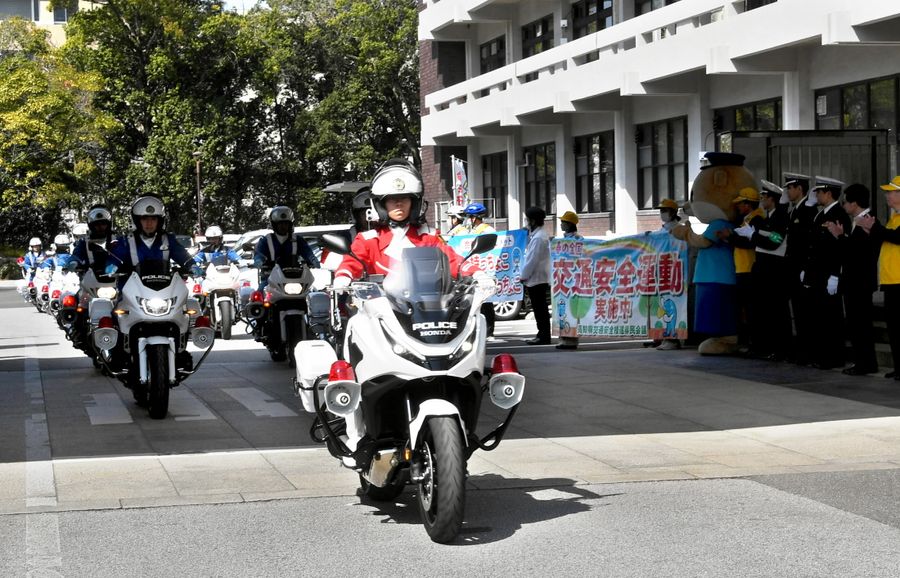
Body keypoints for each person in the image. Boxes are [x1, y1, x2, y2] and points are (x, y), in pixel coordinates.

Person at [333, 159, 489, 288]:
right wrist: (343, 276)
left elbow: (452, 260)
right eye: (392, 199)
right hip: (380, 310)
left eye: (405, 198)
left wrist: (476, 272)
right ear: (381, 205)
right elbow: (352, 262)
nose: (399, 204)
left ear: (414, 203)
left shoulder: (428, 236)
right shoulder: (368, 239)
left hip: (424, 308)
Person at [800, 177, 850, 370]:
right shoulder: (820, 215)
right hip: (816, 273)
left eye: (819, 192)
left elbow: (838, 249)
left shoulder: (839, 214)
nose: (817, 196)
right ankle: (822, 355)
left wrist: (836, 275)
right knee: (820, 317)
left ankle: (834, 358)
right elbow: (813, 245)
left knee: (832, 318)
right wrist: (807, 269)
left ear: (829, 194)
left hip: (829, 274)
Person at [829, 184, 879, 375]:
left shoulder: (867, 221)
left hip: (860, 282)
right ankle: (864, 362)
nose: (843, 205)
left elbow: (856, 254)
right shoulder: (858, 221)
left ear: (855, 203)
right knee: (857, 324)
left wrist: (840, 237)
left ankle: (865, 363)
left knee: (860, 325)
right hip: (855, 281)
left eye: (845, 201)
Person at [858, 175, 900, 379]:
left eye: (891, 192)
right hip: (891, 280)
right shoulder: (894, 217)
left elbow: (897, 238)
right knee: (893, 328)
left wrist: (874, 228)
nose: (887, 195)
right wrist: (872, 231)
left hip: (899, 281)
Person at [749, 181, 791, 360]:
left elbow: (776, 239)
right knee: (767, 312)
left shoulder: (780, 218)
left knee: (778, 312)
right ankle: (770, 347)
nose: (761, 200)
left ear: (772, 199)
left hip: (775, 270)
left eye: (764, 197)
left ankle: (782, 349)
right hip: (764, 269)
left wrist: (754, 236)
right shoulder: (768, 218)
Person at [783, 172, 819, 364]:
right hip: (792, 267)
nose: (788, 191)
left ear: (800, 189)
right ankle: (802, 351)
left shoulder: (807, 209)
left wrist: (806, 267)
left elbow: (808, 241)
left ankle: (808, 352)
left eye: (790, 187)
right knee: (798, 311)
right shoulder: (794, 210)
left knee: (806, 313)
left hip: (802, 268)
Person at [725, 187, 766, 354]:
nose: (738, 207)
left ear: (748, 204)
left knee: (752, 309)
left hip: (750, 269)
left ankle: (756, 345)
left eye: (741, 203)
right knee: (746, 309)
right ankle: (751, 343)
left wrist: (731, 237)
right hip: (743, 268)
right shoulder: (747, 219)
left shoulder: (756, 219)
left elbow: (751, 243)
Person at [253, 206, 320, 290]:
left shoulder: (298, 240)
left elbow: (307, 252)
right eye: (280, 224)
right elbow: (259, 253)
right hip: (270, 278)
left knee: (311, 293)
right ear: (274, 225)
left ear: (290, 224)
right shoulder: (266, 240)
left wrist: (313, 260)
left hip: (295, 278)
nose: (283, 226)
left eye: (286, 223)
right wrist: (258, 261)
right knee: (259, 295)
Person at [463, 202, 497, 338]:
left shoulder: (488, 231)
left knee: (487, 302)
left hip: (485, 269)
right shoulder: (469, 232)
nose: (468, 219)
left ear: (475, 217)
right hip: (472, 271)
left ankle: (489, 331)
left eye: (469, 217)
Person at [520, 206, 551, 345]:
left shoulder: (539, 238)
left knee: (540, 309)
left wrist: (523, 276)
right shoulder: (538, 235)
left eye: (528, 220)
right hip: (538, 277)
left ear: (532, 221)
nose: (526, 222)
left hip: (537, 278)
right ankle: (542, 334)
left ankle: (543, 336)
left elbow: (532, 259)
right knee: (540, 308)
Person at [557, 211, 582, 350]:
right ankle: (563, 338)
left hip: (573, 282)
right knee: (563, 311)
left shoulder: (578, 239)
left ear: (570, 224)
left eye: (563, 222)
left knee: (572, 311)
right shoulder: (561, 240)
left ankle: (571, 341)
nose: (561, 224)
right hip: (562, 281)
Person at [72, 205, 116, 274]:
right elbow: (76, 255)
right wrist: (73, 262)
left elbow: (125, 255)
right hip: (90, 280)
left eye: (103, 223)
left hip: (116, 279)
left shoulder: (118, 240)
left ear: (109, 224)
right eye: (96, 224)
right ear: (91, 226)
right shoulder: (84, 243)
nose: (100, 227)